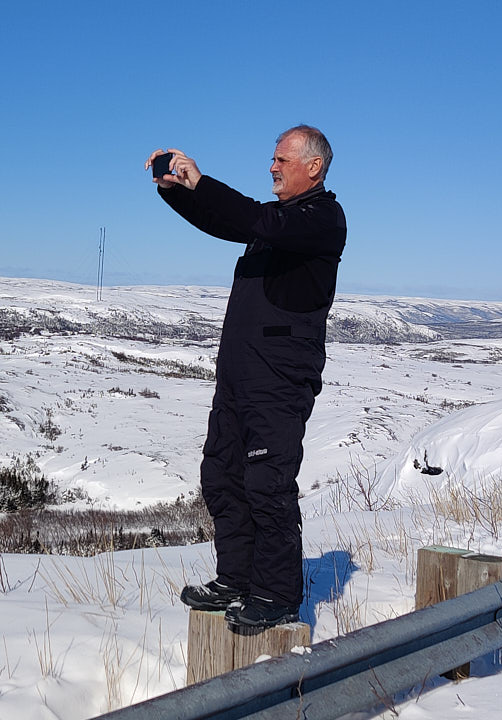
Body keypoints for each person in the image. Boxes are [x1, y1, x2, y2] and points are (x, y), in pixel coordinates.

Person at [146, 125, 345, 631]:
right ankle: (236, 578)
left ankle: (277, 594)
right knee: (222, 474)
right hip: (239, 375)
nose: (272, 167)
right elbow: (225, 222)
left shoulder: (321, 218)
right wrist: (176, 191)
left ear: (313, 166)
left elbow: (251, 219)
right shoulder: (276, 222)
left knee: (267, 482)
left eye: (281, 159)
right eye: (273, 159)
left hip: (279, 379)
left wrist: (200, 180)